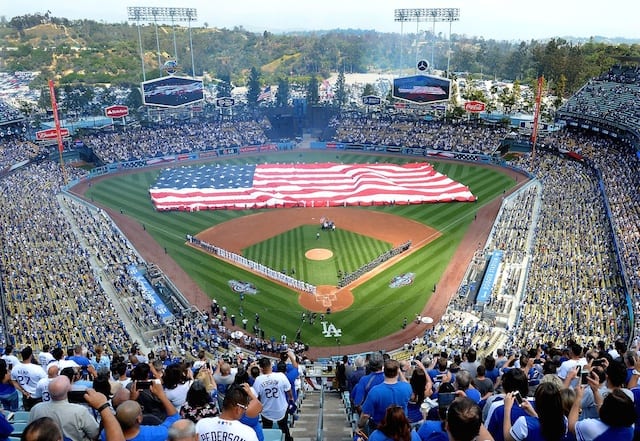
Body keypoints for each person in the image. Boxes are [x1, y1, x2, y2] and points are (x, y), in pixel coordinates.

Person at [28, 375, 100, 441]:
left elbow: (30, 432)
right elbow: (95, 434)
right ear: (69, 390)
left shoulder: (36, 409)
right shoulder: (80, 411)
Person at [105, 381, 180, 441]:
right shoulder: (156, 434)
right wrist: (162, 395)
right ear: (139, 419)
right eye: (140, 409)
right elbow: (175, 418)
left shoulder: (106, 433)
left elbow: (124, 415)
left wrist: (131, 400)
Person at [569, 380, 635, 440]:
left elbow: (572, 425)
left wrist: (578, 398)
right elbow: (607, 411)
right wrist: (595, 391)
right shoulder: (630, 427)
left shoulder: (591, 427)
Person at [359, 359, 412, 434]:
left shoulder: (375, 391)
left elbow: (365, 415)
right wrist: (399, 372)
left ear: (384, 372)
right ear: (398, 372)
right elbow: (407, 385)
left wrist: (360, 425)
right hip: (401, 428)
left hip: (380, 428)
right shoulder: (407, 387)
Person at [503, 382, 568, 441]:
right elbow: (546, 424)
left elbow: (508, 439)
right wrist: (533, 413)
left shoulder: (524, 423)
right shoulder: (564, 420)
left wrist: (507, 408)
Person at [252, 357, 294, 441]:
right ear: (271, 365)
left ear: (261, 368)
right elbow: (288, 390)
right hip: (281, 408)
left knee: (267, 430)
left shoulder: (258, 380)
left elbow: (255, 396)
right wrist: (291, 399)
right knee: (284, 428)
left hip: (266, 410)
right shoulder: (281, 376)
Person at [11, 346, 47, 410]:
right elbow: (45, 382)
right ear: (31, 355)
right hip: (37, 396)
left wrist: (23, 391)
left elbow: (14, 381)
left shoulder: (15, 368)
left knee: (28, 415)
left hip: (26, 396)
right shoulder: (37, 368)